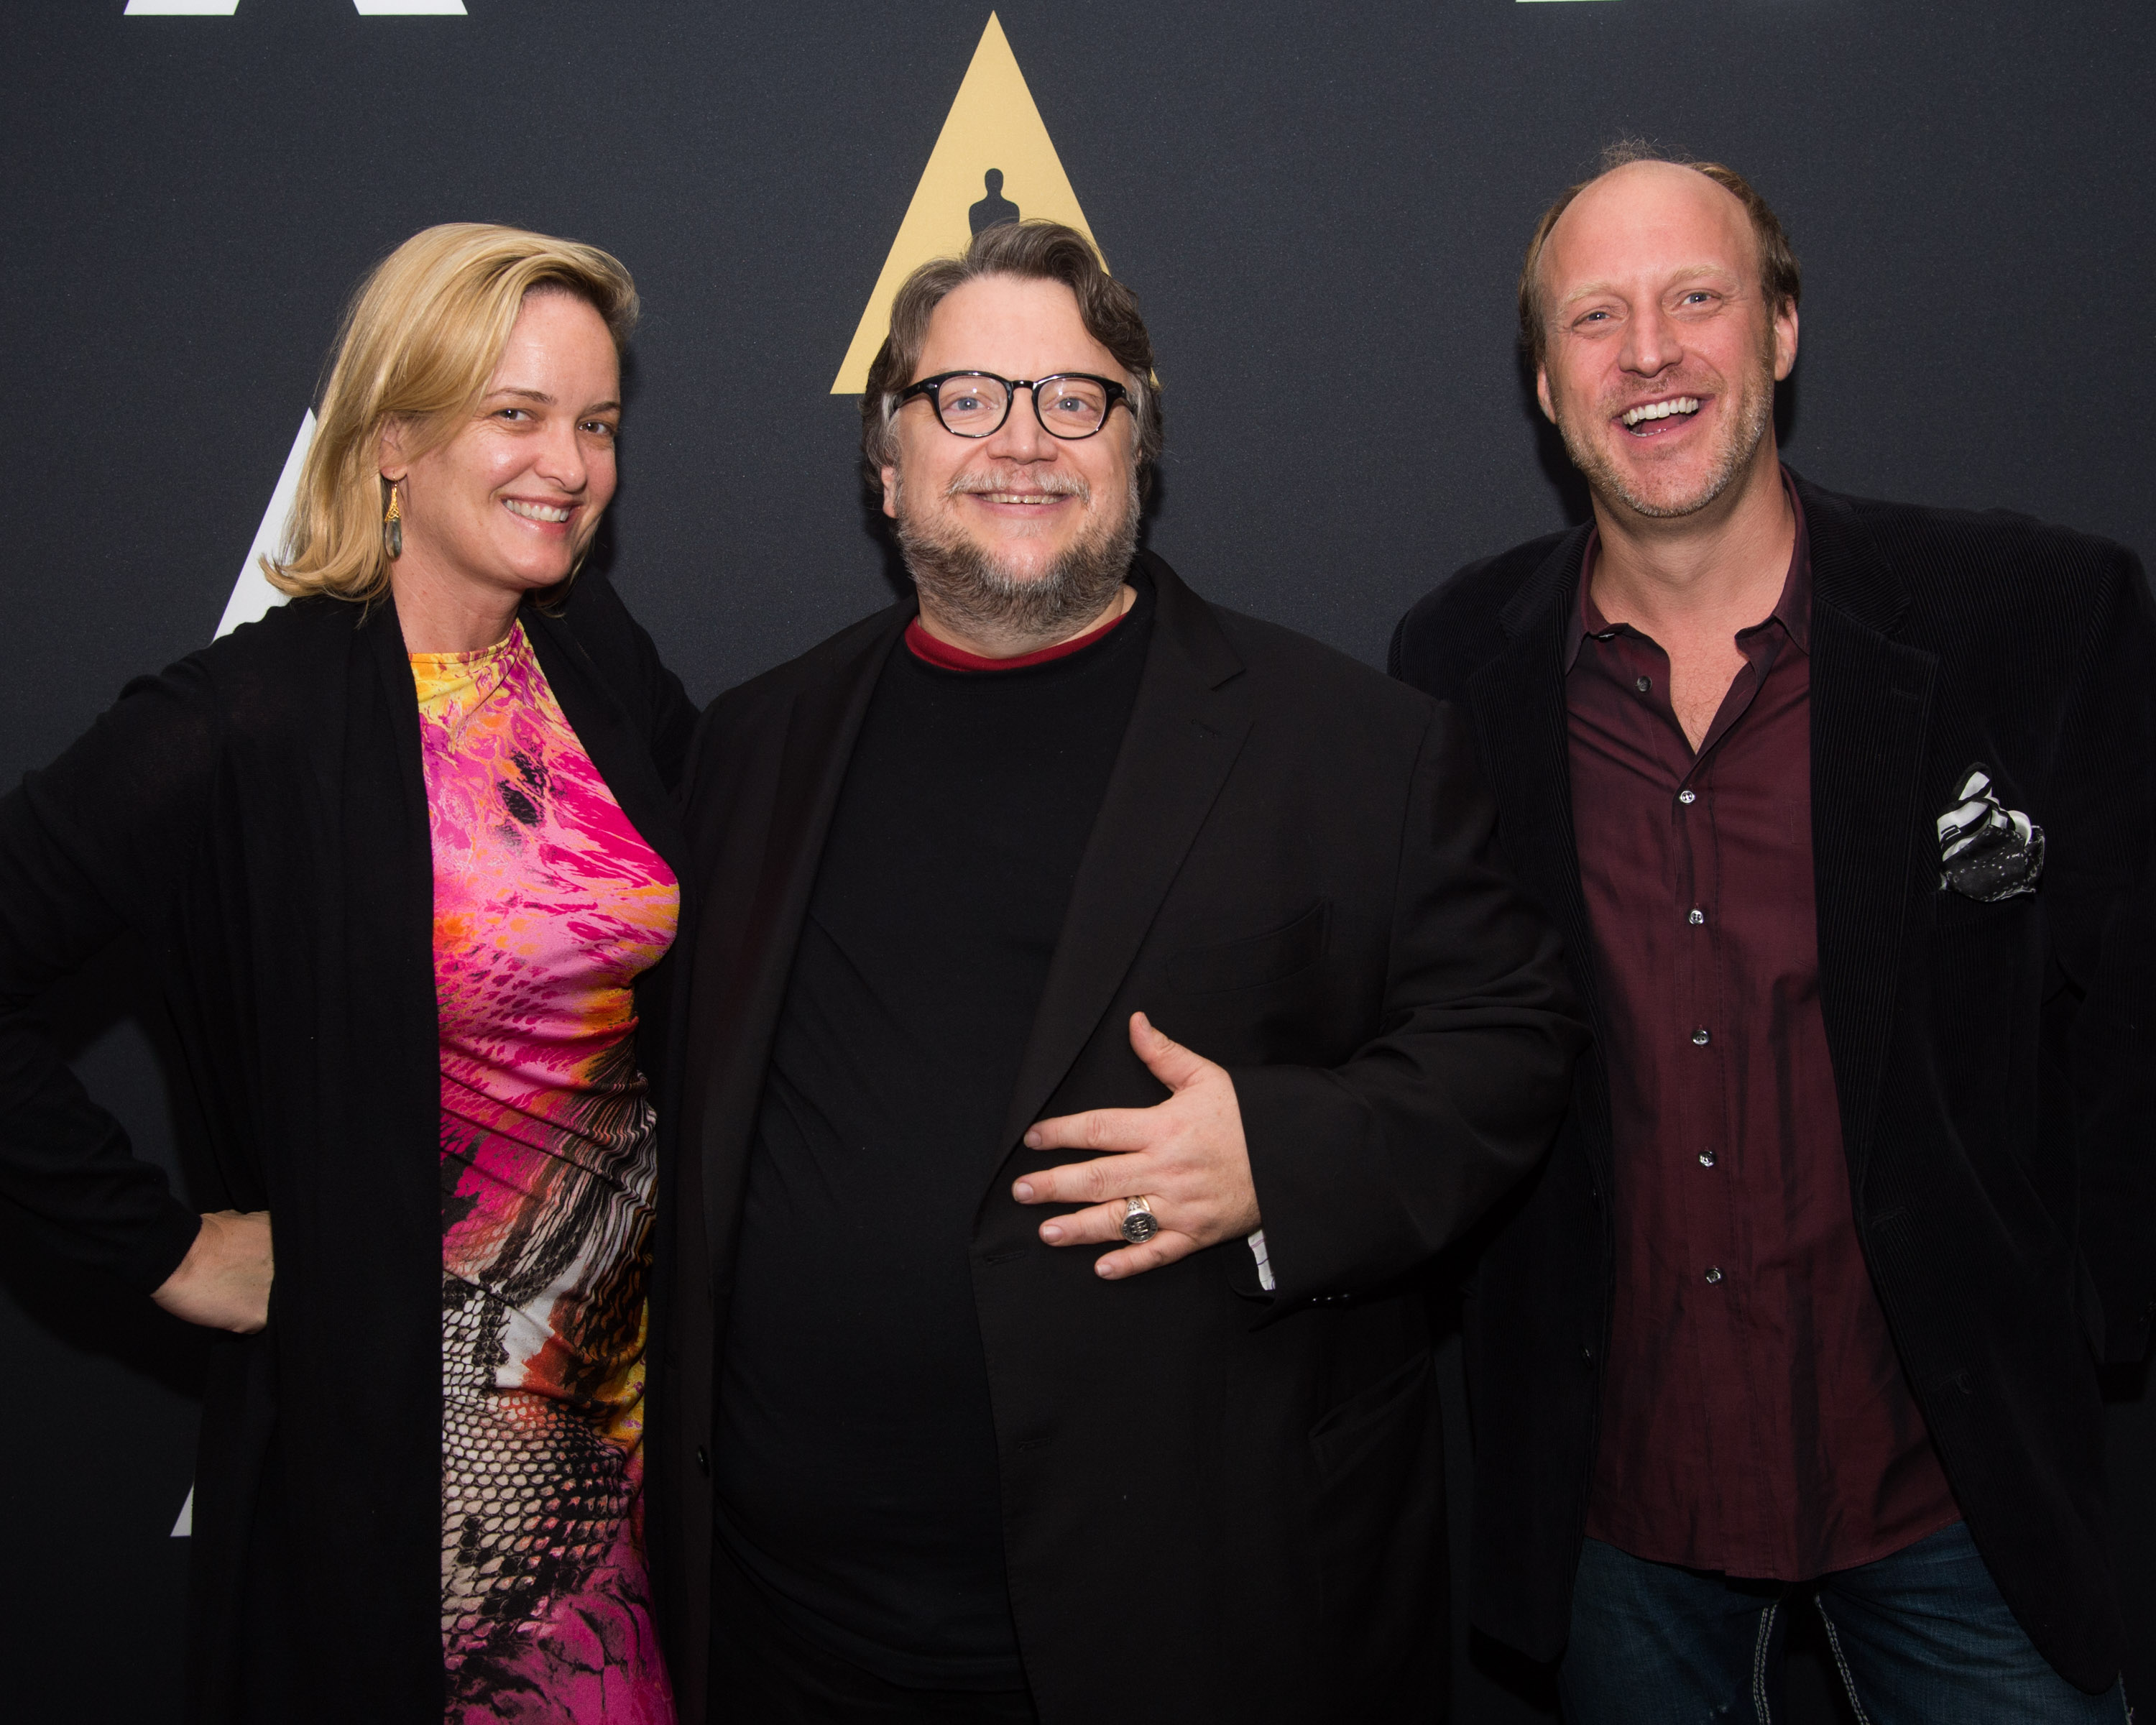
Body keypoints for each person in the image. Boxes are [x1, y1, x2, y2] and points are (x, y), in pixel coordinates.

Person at [646, 219, 1586, 1724]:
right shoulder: (759, 741)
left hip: (1182, 1628)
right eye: (965, 398)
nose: (1021, 438)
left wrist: (1280, 1157)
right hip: (787, 1628)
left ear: (1137, 452)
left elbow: (1515, 1035)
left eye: (1073, 400)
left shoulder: (1350, 744)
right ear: (884, 465)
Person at [1392, 147, 2155, 1722]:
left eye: (1696, 299)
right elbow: (1439, 1033)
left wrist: (2081, 1306)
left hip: (1956, 1491)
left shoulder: (2027, 616)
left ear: (1783, 332)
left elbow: (2129, 1005)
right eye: (1595, 319)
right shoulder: (1455, 666)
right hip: (1622, 1510)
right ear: (1545, 382)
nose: (1650, 352)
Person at [0, 224, 697, 1721]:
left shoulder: (594, 664)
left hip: (638, 1430)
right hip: (407, 1480)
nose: (567, 466)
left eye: (597, 424)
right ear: (395, 437)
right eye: (514, 415)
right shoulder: (238, 723)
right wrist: (163, 1249)